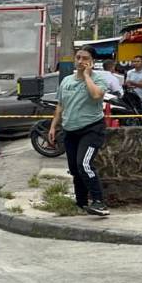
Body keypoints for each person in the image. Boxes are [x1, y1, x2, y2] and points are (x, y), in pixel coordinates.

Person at [48, 46, 109, 217]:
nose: (81, 61)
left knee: (85, 164)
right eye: (78, 57)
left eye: (85, 58)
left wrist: (87, 76)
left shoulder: (98, 79)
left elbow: (96, 95)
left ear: (92, 61)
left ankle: (99, 202)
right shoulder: (67, 81)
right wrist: (53, 126)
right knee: (75, 169)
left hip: (91, 128)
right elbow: (60, 105)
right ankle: (81, 202)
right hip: (70, 130)